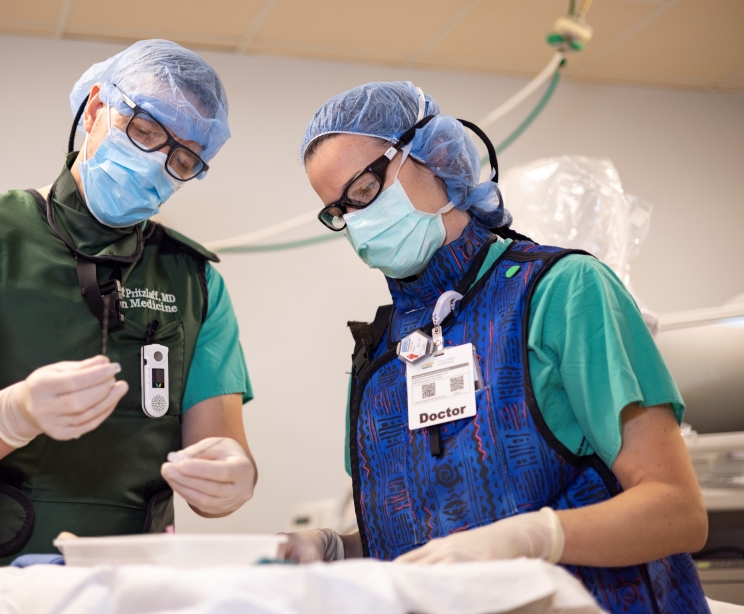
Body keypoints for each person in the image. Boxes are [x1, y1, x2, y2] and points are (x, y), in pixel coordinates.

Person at [0, 40, 256, 614]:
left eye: (184, 159)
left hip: (129, 594)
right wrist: (10, 416)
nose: (160, 163)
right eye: (146, 131)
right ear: (94, 110)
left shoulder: (195, 281)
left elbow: (220, 448)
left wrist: (235, 477)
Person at [282, 81, 709, 613]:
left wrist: (535, 538)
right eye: (340, 211)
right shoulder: (382, 354)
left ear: (435, 155)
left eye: (365, 189)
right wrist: (335, 550)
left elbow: (678, 511)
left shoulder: (560, 291)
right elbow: (429, 537)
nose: (359, 222)